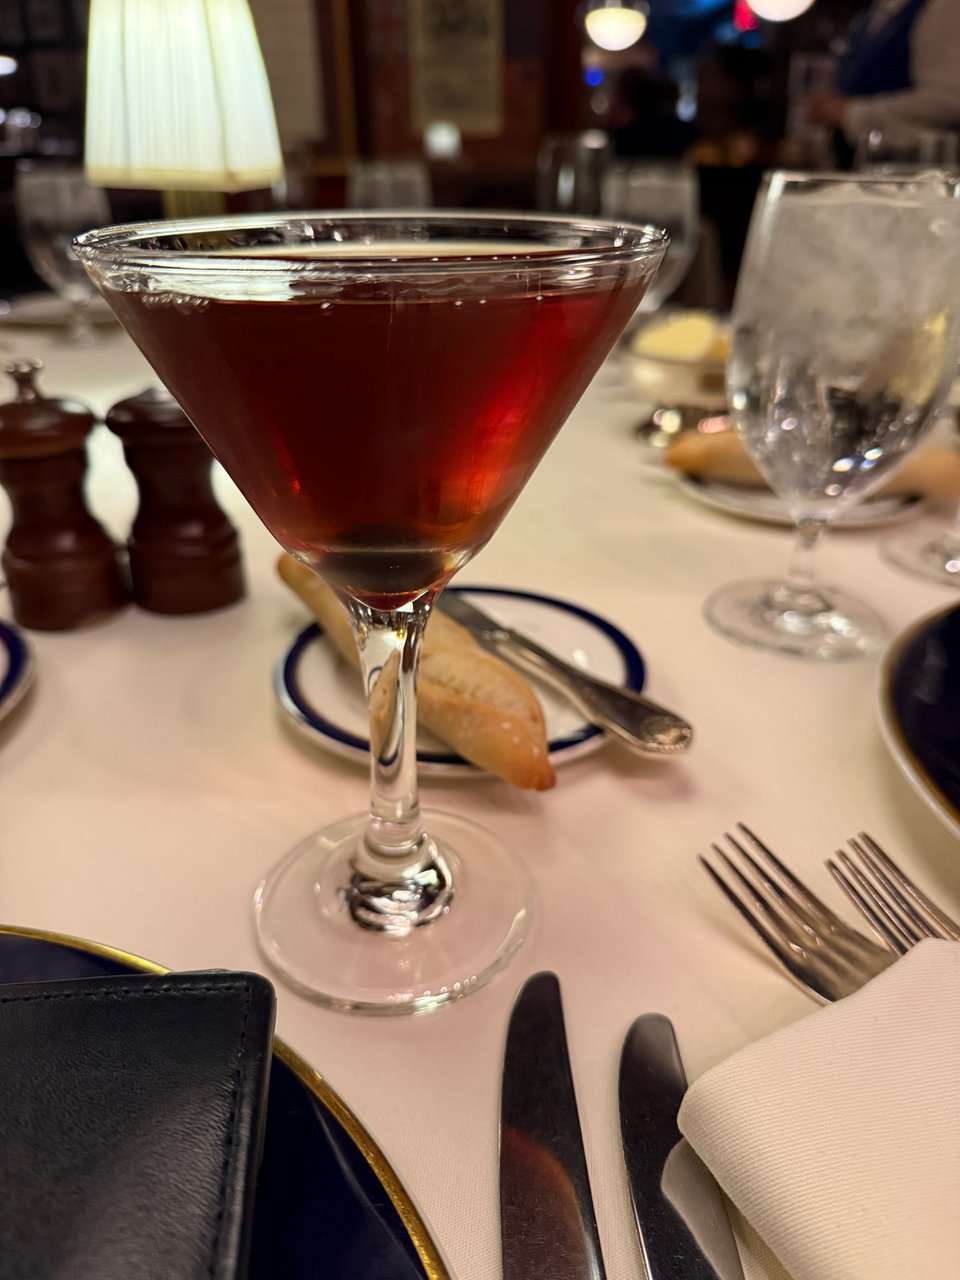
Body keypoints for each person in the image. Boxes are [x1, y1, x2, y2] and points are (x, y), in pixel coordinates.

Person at [806, 0, 960, 145]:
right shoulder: (874, 12)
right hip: (866, 164)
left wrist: (852, 113)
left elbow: (950, 100)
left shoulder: (943, 6)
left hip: (912, 165)